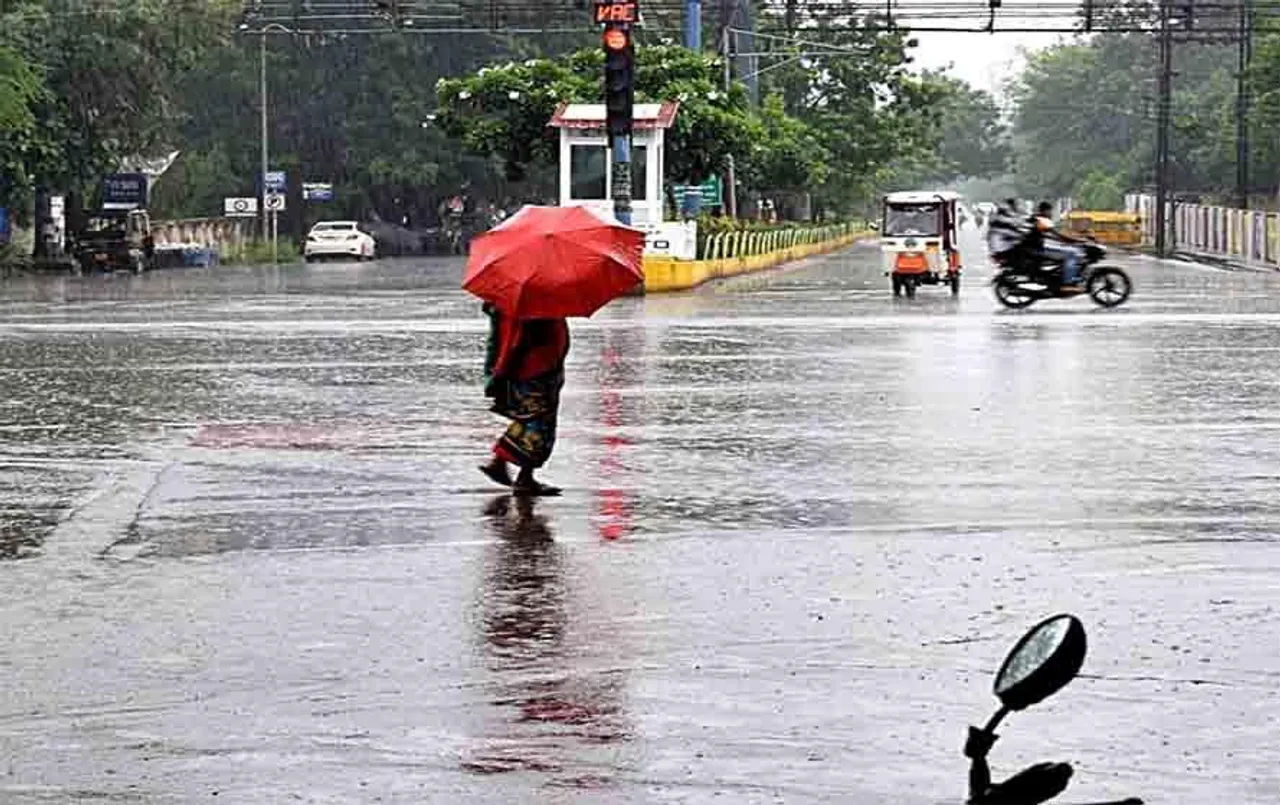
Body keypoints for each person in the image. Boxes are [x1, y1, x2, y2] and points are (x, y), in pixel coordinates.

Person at [479, 302, 570, 496]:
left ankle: (500, 463)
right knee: (540, 426)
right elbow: (523, 339)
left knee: (529, 419)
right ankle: (524, 478)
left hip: (534, 368)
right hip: (538, 369)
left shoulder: (516, 303)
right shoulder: (534, 308)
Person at [1028, 201, 1086, 292]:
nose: (1051, 213)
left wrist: (1068, 240)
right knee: (1071, 253)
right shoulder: (1041, 220)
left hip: (1035, 248)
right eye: (1050, 211)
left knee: (1068, 250)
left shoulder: (1035, 219)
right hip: (1038, 250)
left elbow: (1049, 235)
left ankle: (1062, 274)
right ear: (1045, 211)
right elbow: (1056, 234)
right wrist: (1072, 240)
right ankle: (1068, 282)